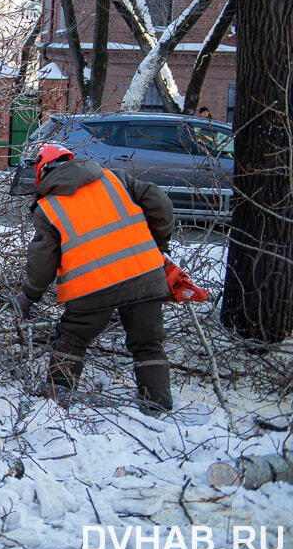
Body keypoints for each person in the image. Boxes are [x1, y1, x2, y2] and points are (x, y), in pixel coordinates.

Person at [15, 144, 176, 415]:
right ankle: (156, 405)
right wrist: (159, 241)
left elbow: (42, 260)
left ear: (43, 172)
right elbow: (160, 201)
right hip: (145, 274)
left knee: (71, 341)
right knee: (148, 343)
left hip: (92, 288)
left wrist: (29, 295)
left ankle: (57, 399)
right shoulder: (116, 178)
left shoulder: (48, 207)